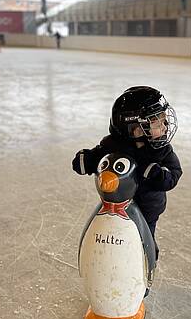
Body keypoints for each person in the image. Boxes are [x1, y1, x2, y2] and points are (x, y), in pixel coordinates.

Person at [72, 86, 182, 260]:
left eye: (164, 120)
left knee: (143, 244)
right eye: (158, 122)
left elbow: (173, 174)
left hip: (147, 210)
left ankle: (145, 266)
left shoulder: (162, 150)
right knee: (113, 240)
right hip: (115, 207)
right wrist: (88, 160)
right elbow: (100, 159)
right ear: (136, 129)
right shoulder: (113, 145)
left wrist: (157, 174)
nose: (165, 126)